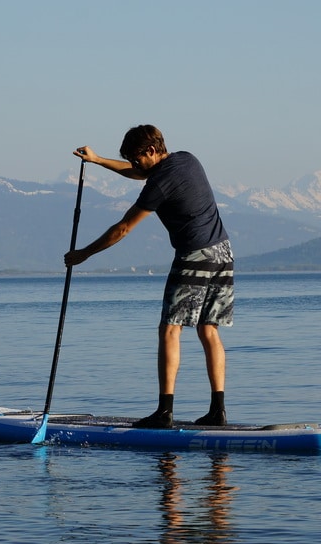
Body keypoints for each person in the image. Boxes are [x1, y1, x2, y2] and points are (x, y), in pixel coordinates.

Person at [65, 125, 234, 429]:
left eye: (137, 158)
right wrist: (98, 160)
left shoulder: (159, 183)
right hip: (223, 253)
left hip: (193, 255)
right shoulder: (187, 159)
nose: (135, 164)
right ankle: (218, 411)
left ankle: (164, 412)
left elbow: (123, 228)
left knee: (170, 329)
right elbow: (141, 173)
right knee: (209, 330)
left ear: (152, 151)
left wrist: (84, 254)